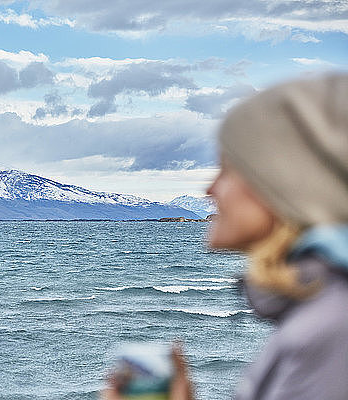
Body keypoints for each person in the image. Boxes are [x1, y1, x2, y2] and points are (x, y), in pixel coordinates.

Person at [104, 73, 348, 399]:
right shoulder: (319, 316)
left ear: (283, 180)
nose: (210, 189)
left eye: (228, 169)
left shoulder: (327, 333)